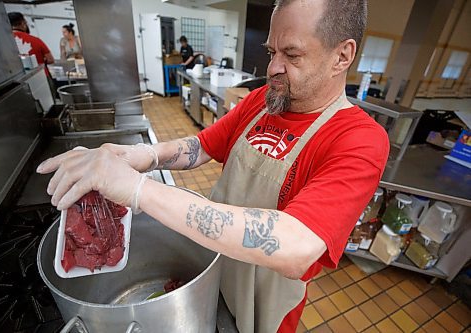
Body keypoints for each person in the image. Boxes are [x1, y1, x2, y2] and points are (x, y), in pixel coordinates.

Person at [37, 0, 389, 332]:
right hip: (212, 268)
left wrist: (139, 189)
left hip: (263, 301)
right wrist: (146, 155)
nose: (272, 67)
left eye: (292, 54)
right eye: (271, 52)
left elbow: (295, 246)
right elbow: (202, 146)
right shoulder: (260, 102)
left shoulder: (359, 140)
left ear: (342, 56)